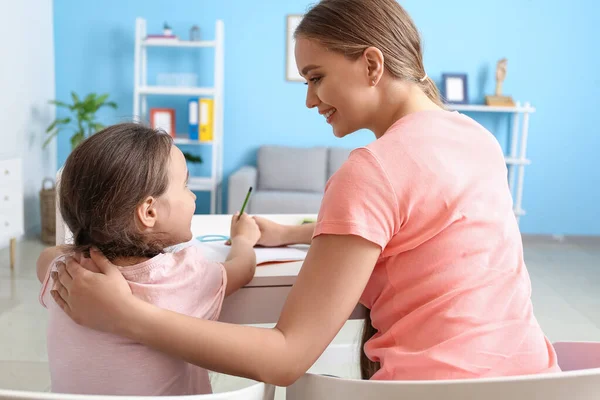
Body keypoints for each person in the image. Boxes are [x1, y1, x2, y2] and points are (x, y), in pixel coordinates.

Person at [51, 0, 560, 386]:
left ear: (372, 65)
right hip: (537, 379)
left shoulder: (371, 170)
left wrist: (128, 317)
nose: (310, 98)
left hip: (431, 390)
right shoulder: (476, 137)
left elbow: (286, 357)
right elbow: (429, 226)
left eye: (316, 77)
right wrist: (298, 231)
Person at [37, 123, 261, 395]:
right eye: (185, 186)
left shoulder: (66, 274)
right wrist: (243, 239)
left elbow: (45, 258)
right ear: (149, 212)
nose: (192, 196)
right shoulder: (184, 276)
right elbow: (243, 268)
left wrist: (76, 251)